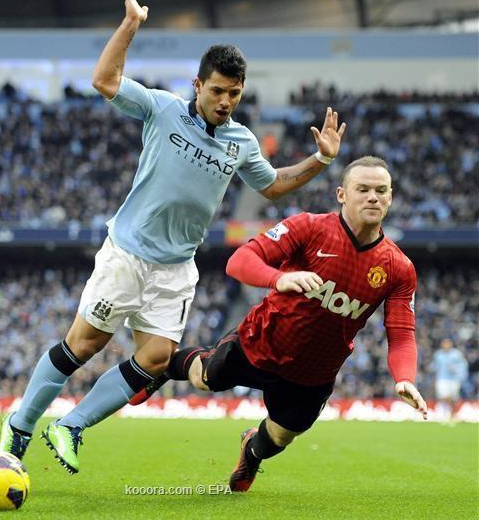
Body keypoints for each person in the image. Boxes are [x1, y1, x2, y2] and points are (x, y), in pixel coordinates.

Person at [0, 0, 347, 473]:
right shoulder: (162, 109)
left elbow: (271, 186)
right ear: (198, 85)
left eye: (235, 93)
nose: (226, 101)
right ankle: (19, 426)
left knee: (157, 358)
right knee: (84, 345)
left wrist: (322, 159)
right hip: (128, 253)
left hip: (177, 266)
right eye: (218, 91)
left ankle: (70, 425)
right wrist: (130, 25)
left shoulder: (241, 141)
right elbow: (104, 80)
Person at [157, 155, 428, 492]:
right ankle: (160, 366)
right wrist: (278, 279)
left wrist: (404, 378)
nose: (373, 197)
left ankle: (251, 452)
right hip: (261, 342)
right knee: (205, 378)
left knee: (280, 437)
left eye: (381, 190)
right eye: (363, 189)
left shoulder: (398, 268)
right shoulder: (310, 228)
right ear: (342, 194)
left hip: (313, 374)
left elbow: (401, 333)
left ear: (390, 197)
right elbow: (240, 260)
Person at [432, 338, 468, 421]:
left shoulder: (457, 354)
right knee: (442, 395)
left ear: (451, 344)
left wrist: (458, 371)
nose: (446, 345)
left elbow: (463, 365)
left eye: (447, 343)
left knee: (454, 397)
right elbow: (435, 367)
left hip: (454, 379)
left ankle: (452, 413)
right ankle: (452, 411)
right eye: (444, 344)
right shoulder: (438, 355)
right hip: (442, 378)